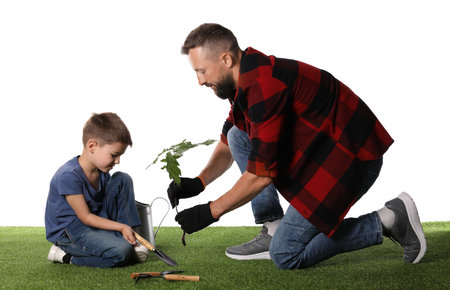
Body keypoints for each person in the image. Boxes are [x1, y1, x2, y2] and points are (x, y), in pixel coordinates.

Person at [168, 23, 427, 269]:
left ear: (226, 59)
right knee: (238, 134)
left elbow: (260, 175)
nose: (200, 81)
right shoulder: (245, 77)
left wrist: (211, 211)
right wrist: (199, 183)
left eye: (202, 71)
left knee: (286, 254)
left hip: (351, 158)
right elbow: (229, 140)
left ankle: (390, 219)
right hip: (325, 149)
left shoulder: (263, 87)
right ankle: (274, 226)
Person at [45, 112, 148, 268]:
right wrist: (120, 226)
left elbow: (101, 206)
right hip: (71, 231)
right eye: (114, 155)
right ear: (92, 146)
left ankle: (130, 238)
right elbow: (85, 217)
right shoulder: (68, 176)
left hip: (95, 217)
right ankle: (64, 256)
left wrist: (124, 227)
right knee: (121, 253)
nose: (118, 161)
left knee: (122, 178)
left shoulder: (101, 170)